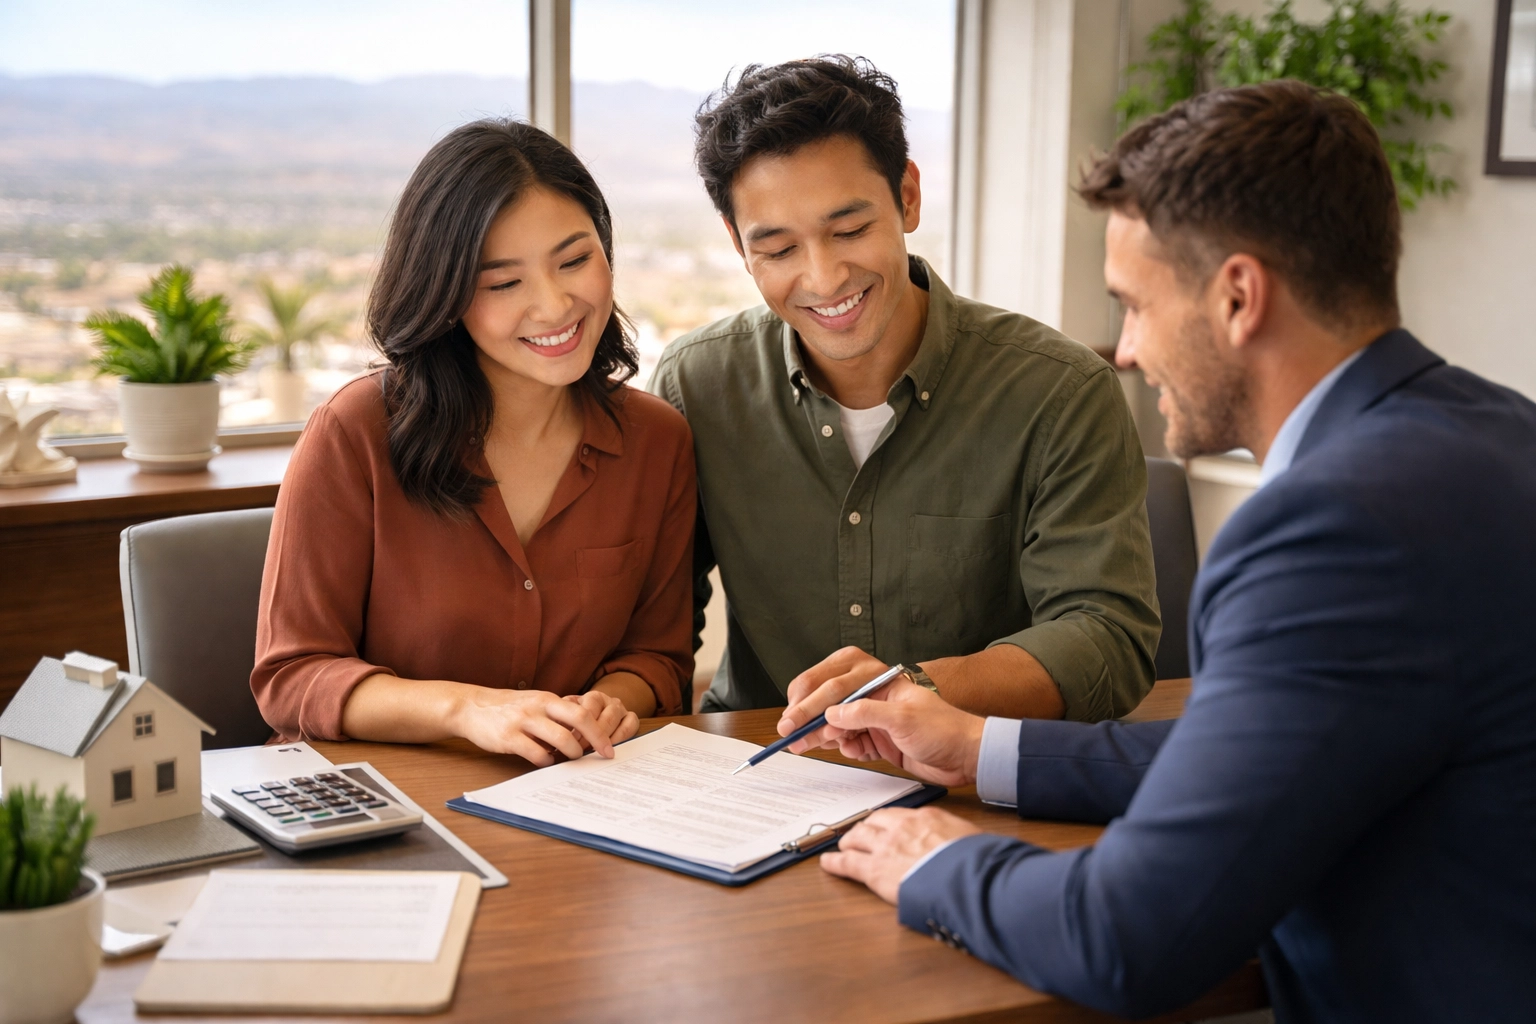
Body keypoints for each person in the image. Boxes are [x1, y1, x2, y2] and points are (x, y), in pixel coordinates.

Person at [807, 81, 1536, 1021]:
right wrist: (981, 747)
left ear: (1238, 296)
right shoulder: (1498, 433)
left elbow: (1127, 939)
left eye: (1135, 305)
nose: (1123, 350)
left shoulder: (1331, 530)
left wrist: (940, 862)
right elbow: (1256, 748)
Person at [650, 56, 1159, 725]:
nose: (825, 277)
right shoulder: (697, 385)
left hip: (973, 779)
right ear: (737, 244)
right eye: (777, 250)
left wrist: (917, 691)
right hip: (757, 770)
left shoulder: (1060, 394)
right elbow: (650, 631)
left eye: (850, 229)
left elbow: (1106, 639)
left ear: (908, 197)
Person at [252, 119, 696, 765]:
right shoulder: (354, 433)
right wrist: (469, 710)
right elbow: (291, 677)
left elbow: (656, 658)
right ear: (447, 295)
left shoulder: (658, 442)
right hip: (382, 803)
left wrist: (612, 698)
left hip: (577, 796)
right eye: (503, 283)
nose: (553, 306)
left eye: (575, 260)